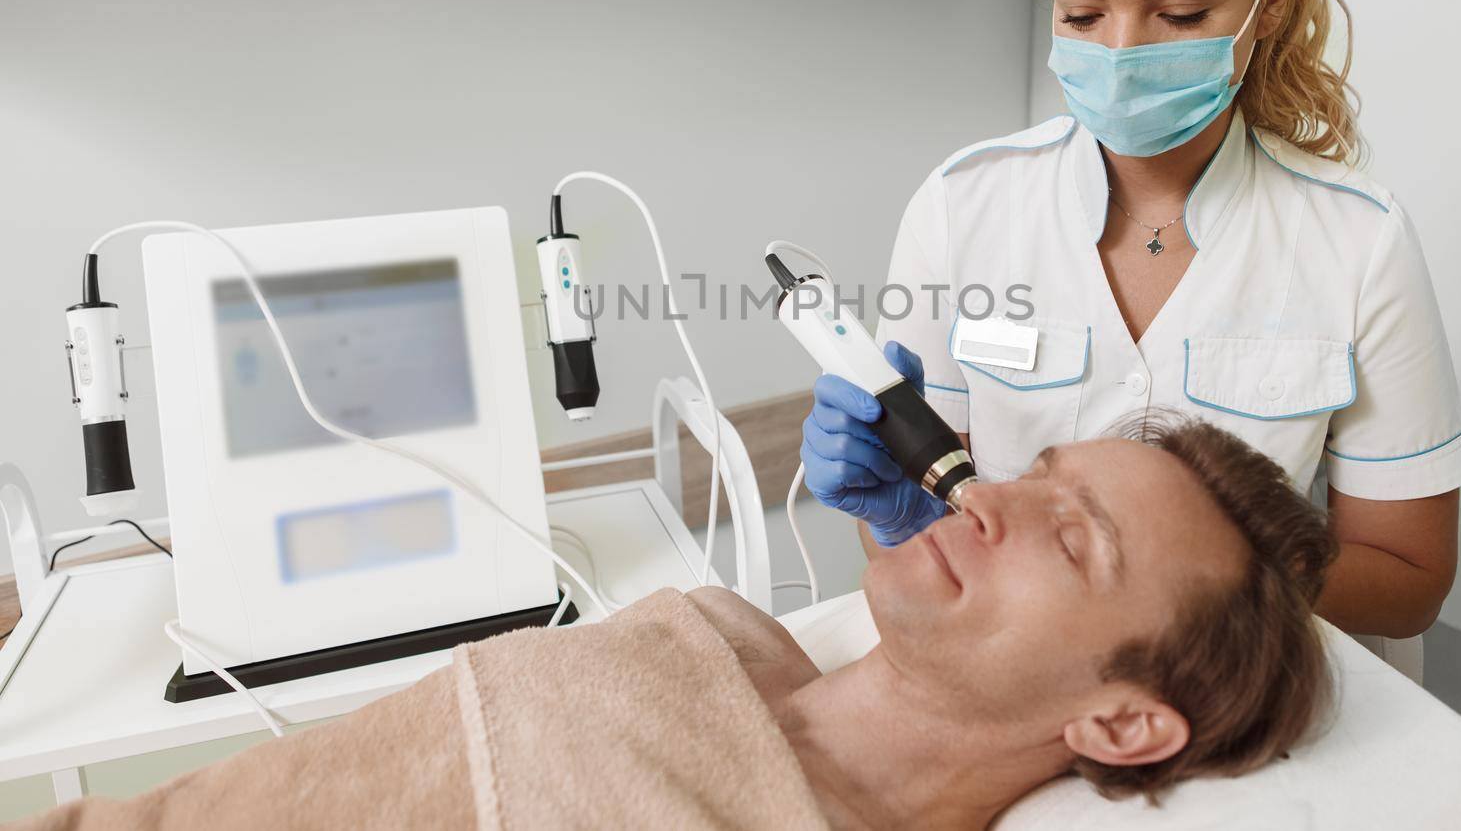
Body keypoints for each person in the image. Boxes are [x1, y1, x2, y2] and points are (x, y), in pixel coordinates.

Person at [802, 0, 1461, 641]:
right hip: (1027, 668)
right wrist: (899, 517)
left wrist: (1196, 573)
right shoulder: (960, 210)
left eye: (1181, 13)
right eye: (1081, 12)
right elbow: (934, 526)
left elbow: (1411, 578)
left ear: (1269, 1)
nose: (1121, 52)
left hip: (1251, 688)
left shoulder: (1359, 242)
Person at [18, 417, 1336, 830]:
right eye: (1034, 467)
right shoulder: (718, 628)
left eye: (1069, 532)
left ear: (1117, 718)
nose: (986, 491)